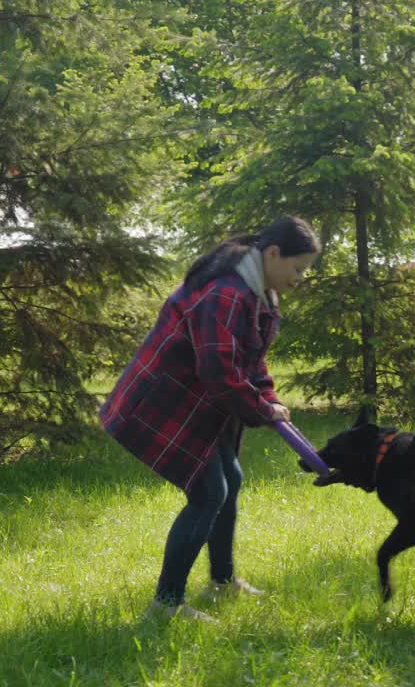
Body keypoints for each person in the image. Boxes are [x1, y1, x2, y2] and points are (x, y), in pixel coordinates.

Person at [99, 216, 320, 622]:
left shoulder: (258, 293)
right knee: (208, 494)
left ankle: (222, 582)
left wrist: (268, 399)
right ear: (273, 254)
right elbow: (220, 374)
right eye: (299, 267)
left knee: (229, 481)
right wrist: (261, 410)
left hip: (198, 401)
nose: (301, 277)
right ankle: (165, 605)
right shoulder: (227, 293)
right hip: (164, 401)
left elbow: (251, 361)